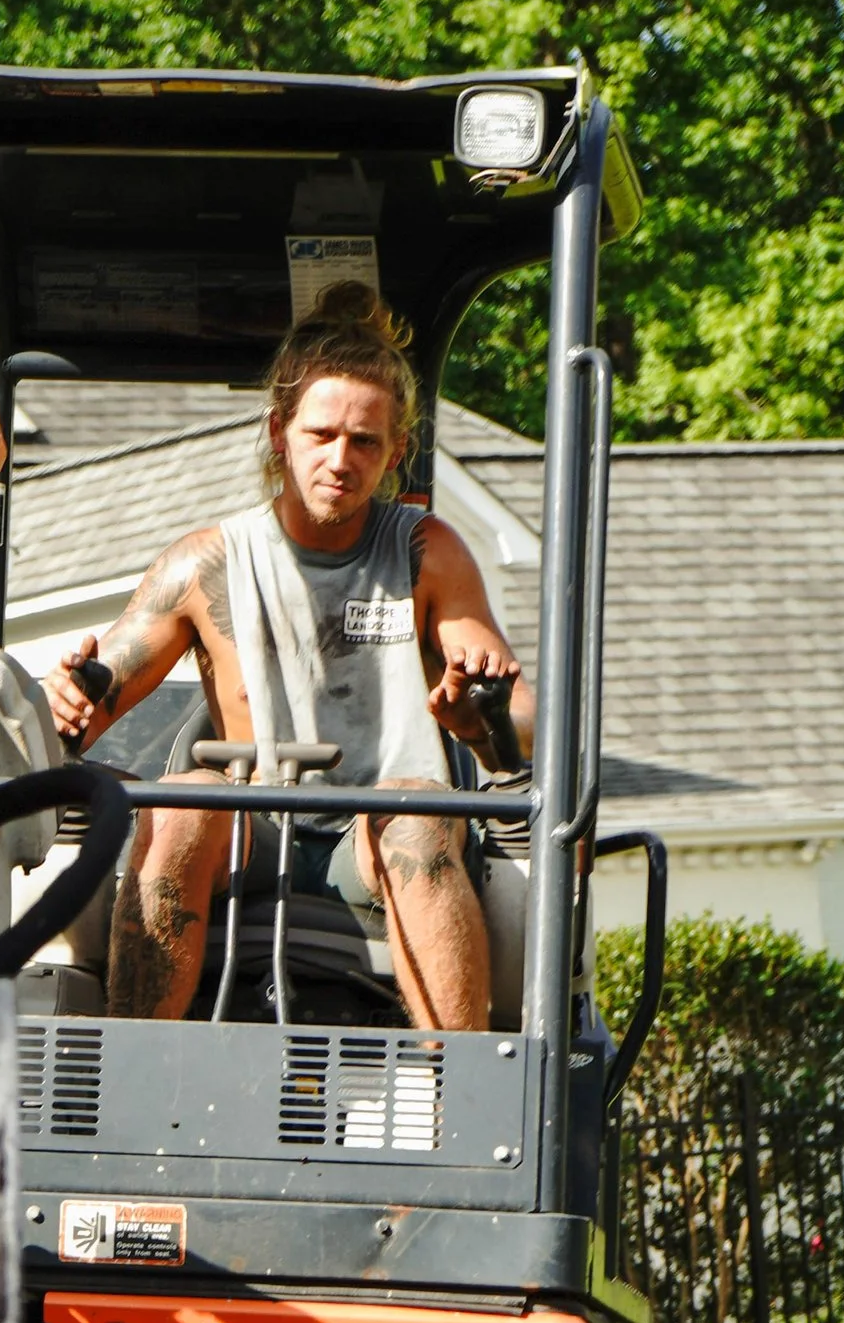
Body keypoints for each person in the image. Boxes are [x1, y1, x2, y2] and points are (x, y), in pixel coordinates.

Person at [43, 283, 531, 1029]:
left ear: (396, 452)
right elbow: (81, 706)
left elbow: (517, 718)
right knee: (181, 803)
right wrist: (65, 699)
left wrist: (482, 720)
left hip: (378, 838)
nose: (341, 459)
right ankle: (137, 1065)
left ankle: (459, 1086)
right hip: (250, 830)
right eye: (321, 434)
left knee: (412, 815)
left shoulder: (427, 553)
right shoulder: (206, 564)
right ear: (280, 433)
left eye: (365, 442)